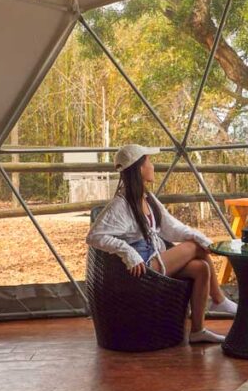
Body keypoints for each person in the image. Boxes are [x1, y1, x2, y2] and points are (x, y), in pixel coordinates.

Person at [87, 144, 237, 343]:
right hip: (144, 268)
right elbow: (94, 236)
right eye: (149, 161)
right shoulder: (120, 205)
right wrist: (128, 252)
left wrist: (201, 238)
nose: (153, 165)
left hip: (156, 259)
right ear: (139, 168)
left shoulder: (148, 198)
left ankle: (198, 331)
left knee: (201, 268)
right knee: (194, 247)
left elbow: (172, 228)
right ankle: (218, 300)